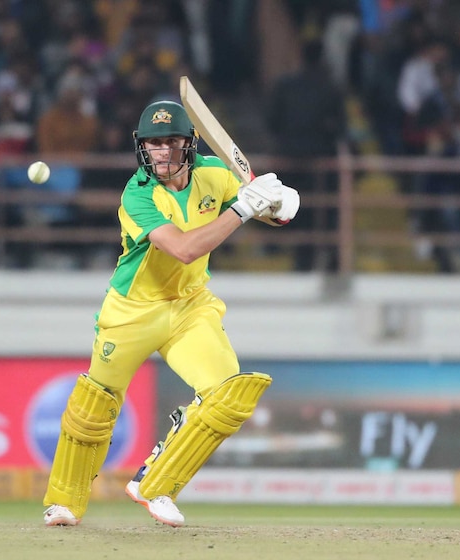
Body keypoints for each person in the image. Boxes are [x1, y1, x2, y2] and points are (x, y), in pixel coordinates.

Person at [42, 100, 300, 528]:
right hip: (132, 310)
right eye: (152, 143)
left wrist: (280, 204)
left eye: (170, 143)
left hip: (190, 307)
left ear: (189, 144)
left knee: (227, 397)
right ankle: (64, 503)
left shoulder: (215, 173)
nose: (160, 152)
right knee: (93, 409)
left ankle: (155, 484)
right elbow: (184, 249)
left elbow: (263, 210)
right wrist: (243, 210)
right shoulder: (137, 194)